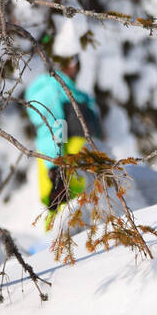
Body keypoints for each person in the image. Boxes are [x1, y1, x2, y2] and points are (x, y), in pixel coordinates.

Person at [24, 55, 102, 229]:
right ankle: (50, 247)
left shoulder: (71, 89)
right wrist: (55, 165)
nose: (73, 65)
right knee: (60, 213)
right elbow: (50, 126)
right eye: (68, 59)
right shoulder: (48, 87)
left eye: (75, 60)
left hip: (81, 168)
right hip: (63, 168)